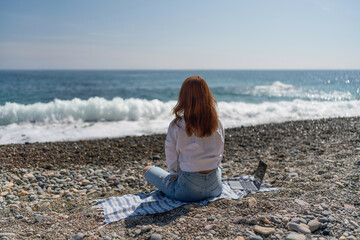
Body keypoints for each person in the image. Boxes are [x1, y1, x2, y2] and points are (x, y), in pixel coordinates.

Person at [143, 76, 225, 202]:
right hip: (215, 187)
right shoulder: (217, 123)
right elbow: (219, 152)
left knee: (147, 170)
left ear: (183, 97)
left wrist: (176, 174)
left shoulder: (177, 125)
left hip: (187, 190)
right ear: (207, 96)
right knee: (217, 169)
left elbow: (172, 160)